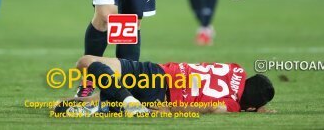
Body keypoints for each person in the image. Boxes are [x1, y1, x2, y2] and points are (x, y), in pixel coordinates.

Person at [54, 55, 275, 117]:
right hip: (161, 100)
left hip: (157, 72)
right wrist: (170, 110)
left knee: (86, 63)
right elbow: (212, 107)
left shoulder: (236, 69)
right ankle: (129, 102)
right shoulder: (232, 105)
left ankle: (90, 104)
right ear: (249, 106)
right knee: (115, 104)